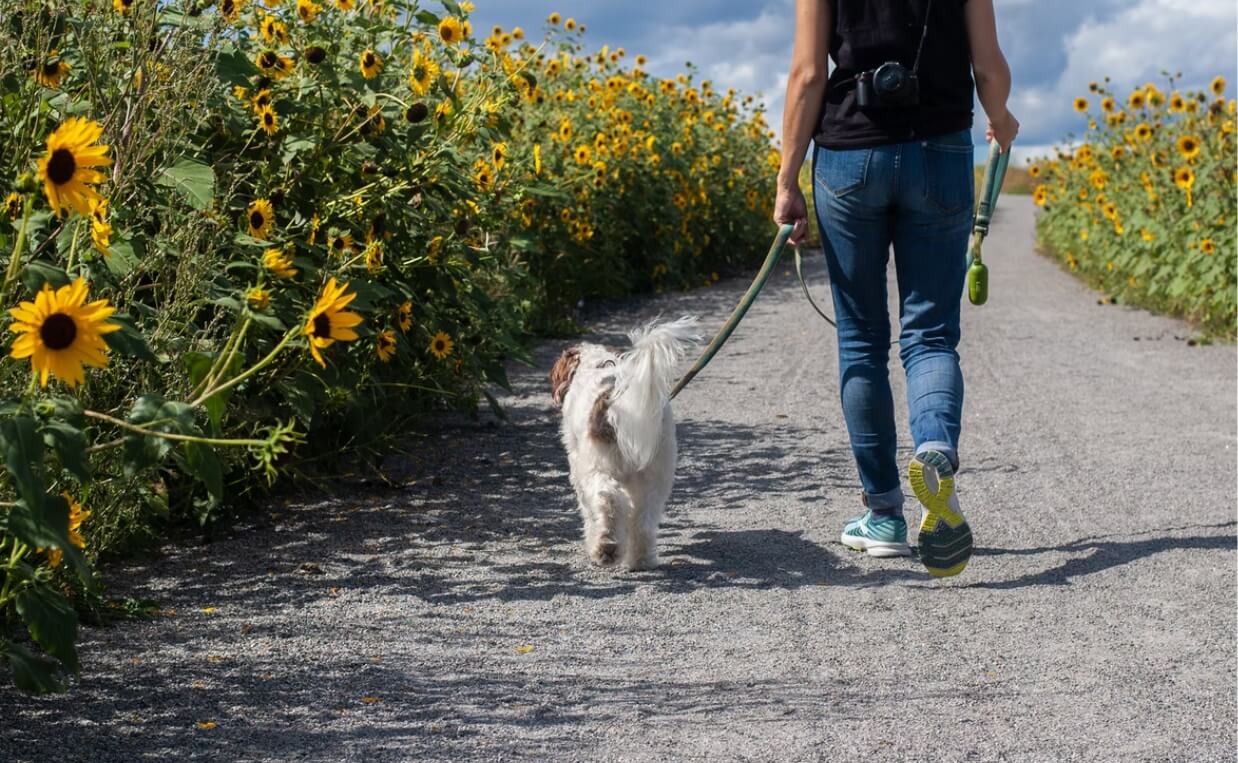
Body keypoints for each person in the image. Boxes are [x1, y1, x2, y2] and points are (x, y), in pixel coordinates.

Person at [774, 0, 1017, 577]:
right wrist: (1000, 115)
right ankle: (934, 447)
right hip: (941, 149)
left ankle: (884, 515)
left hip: (848, 155)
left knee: (860, 340)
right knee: (931, 335)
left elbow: (808, 74)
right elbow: (987, 65)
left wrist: (787, 179)